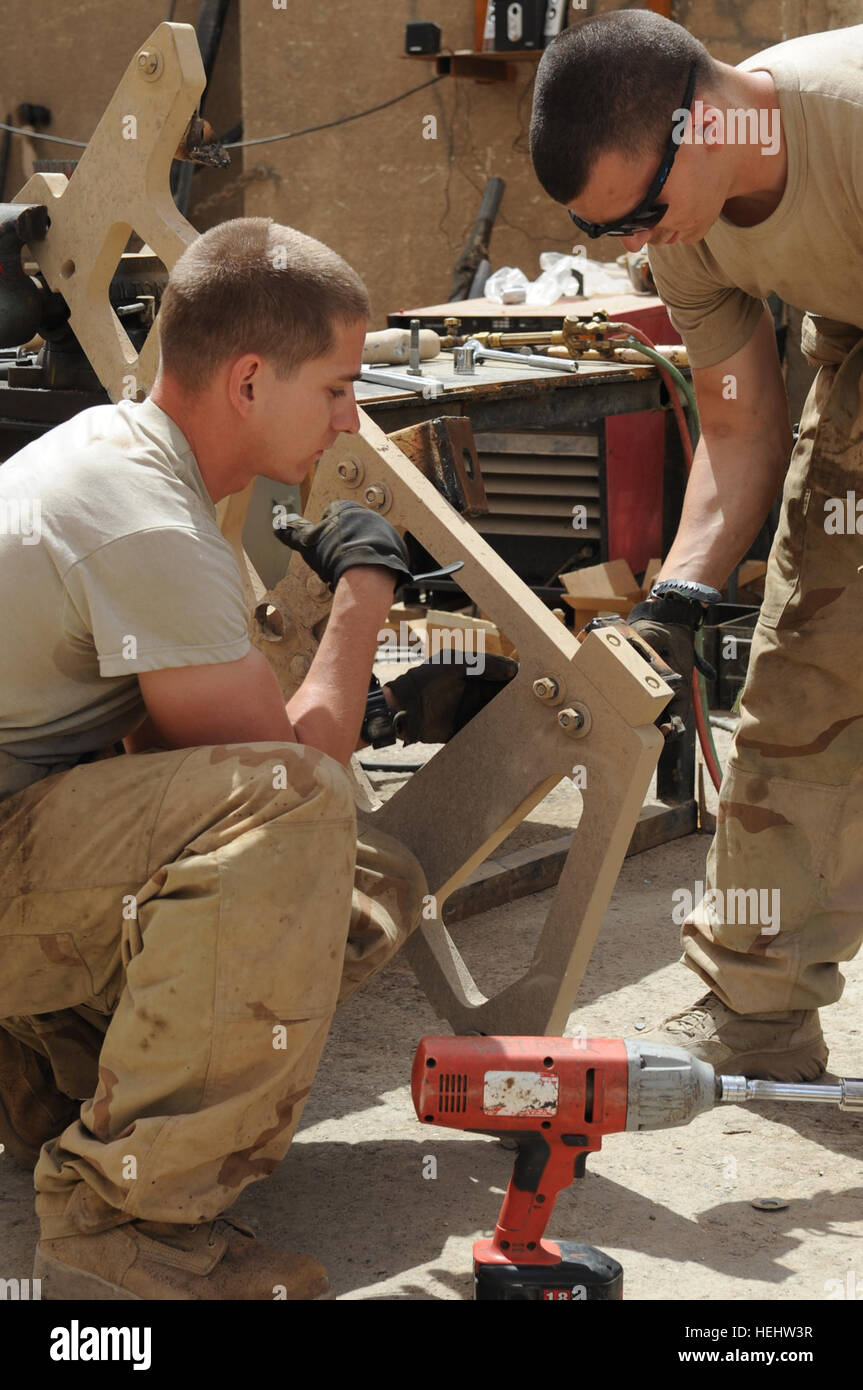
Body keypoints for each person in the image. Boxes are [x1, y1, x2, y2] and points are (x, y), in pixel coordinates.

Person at [0, 216, 510, 1300]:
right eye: (333, 387)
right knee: (296, 818)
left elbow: (161, 758)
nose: (349, 416)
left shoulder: (127, 462)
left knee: (372, 885)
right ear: (245, 381)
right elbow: (290, 779)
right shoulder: (144, 520)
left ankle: (56, 1079)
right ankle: (120, 1235)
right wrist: (362, 592)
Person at [529, 12, 863, 1081]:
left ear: (702, 118)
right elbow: (738, 430)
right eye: (602, 230)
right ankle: (755, 1012)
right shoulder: (686, 226)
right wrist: (675, 599)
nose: (631, 241)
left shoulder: (846, 130)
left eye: (636, 211)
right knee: (803, 686)